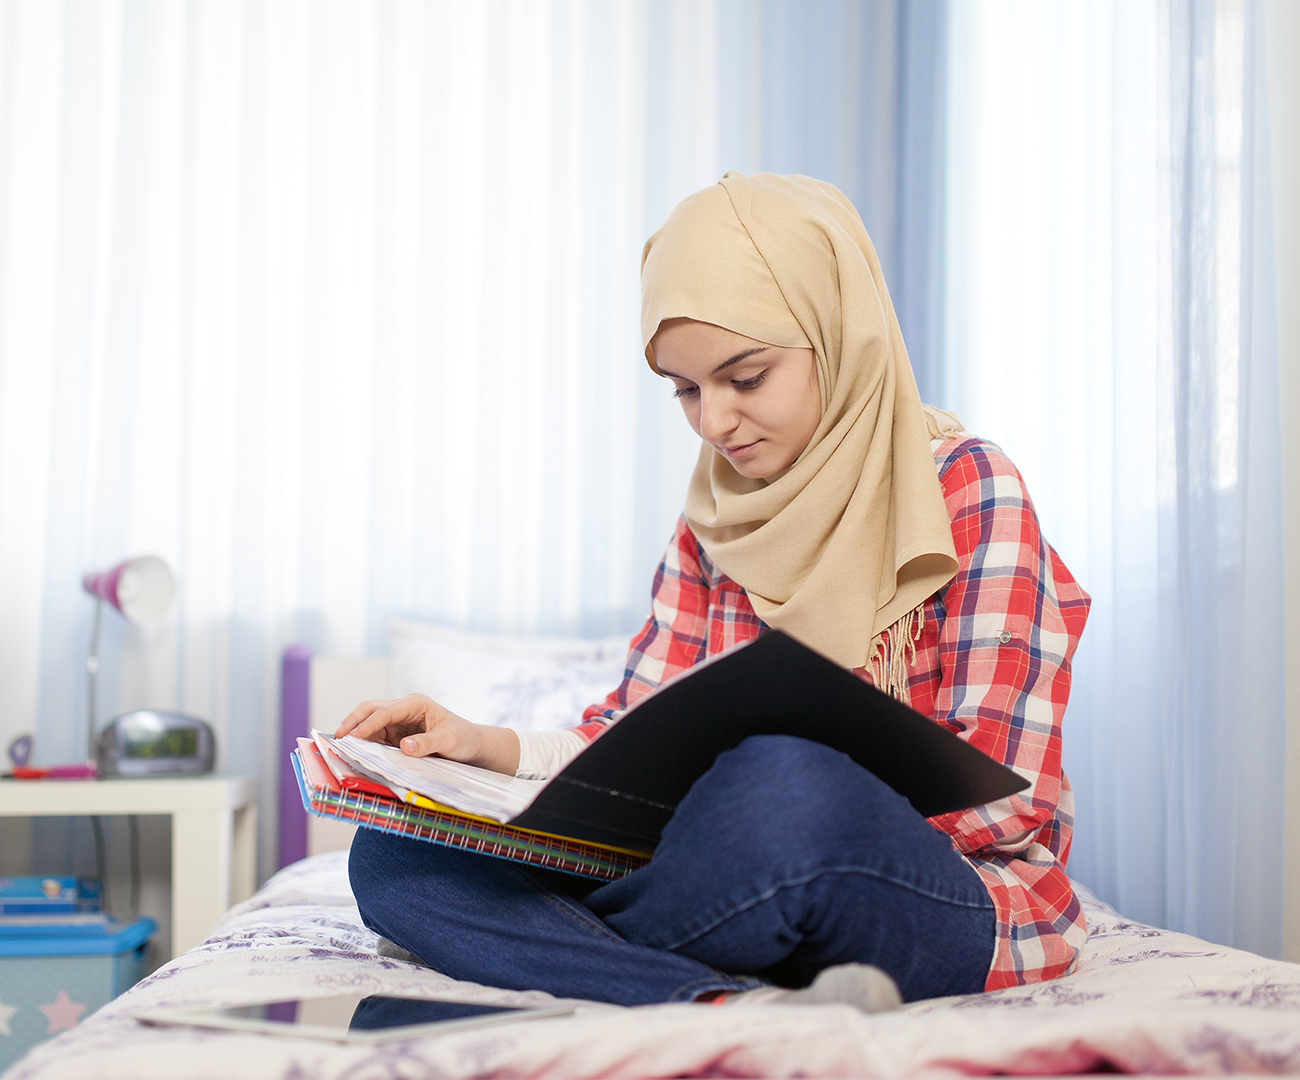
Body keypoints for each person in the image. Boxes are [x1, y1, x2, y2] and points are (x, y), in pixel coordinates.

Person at [340, 172, 1090, 1009]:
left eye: (746, 377)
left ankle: (600, 952)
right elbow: (630, 749)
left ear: (838, 334)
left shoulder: (968, 489)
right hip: (722, 877)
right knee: (394, 855)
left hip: (919, 886)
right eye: (687, 390)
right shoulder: (712, 524)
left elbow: (1006, 803)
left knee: (782, 784)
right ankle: (718, 999)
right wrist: (486, 746)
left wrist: (748, 816)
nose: (714, 423)